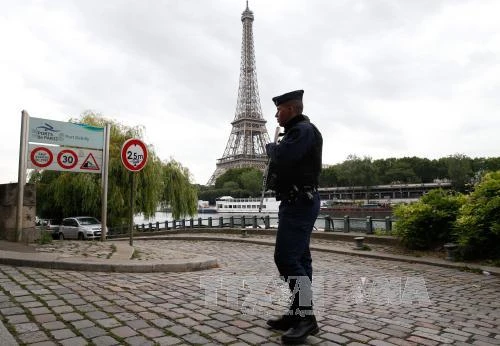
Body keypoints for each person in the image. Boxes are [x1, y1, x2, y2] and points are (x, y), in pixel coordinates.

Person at [265, 89, 323, 344]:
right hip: (297, 200)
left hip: (300, 201)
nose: (276, 114)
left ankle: (307, 317)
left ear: (291, 109)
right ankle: (298, 312)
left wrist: (271, 148)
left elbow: (285, 157)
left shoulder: (303, 131)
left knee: (286, 257)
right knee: (300, 258)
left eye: (279, 110)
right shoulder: (299, 132)